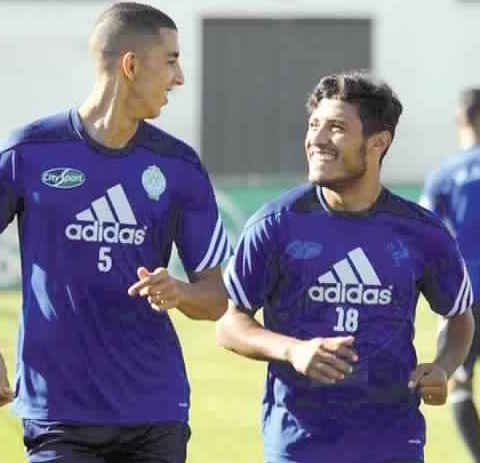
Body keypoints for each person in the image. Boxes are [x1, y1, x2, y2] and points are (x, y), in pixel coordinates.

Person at [0, 2, 231, 462]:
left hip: (155, 412)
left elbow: (217, 297)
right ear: (131, 65)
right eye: (171, 61)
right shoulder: (29, 152)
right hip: (58, 412)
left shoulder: (179, 166)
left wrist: (181, 292)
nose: (180, 78)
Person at [216, 70, 475, 463]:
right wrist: (293, 350)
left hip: (393, 444)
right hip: (299, 445)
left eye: (335, 128)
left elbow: (457, 317)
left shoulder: (422, 232)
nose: (317, 139)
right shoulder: (275, 224)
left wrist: (442, 366)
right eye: (313, 125)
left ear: (378, 143)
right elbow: (229, 323)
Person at [420, 87, 480, 463]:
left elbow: (426, 236)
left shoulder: (444, 176)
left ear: (461, 119)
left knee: (459, 385)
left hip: (467, 299)